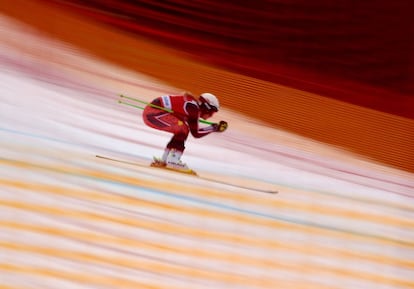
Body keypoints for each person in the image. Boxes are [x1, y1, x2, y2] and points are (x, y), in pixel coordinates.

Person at [142, 92, 228, 172]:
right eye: (212, 112)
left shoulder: (193, 106)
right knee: (183, 129)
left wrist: (213, 128)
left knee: (182, 129)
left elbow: (194, 132)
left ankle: (165, 160)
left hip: (152, 113)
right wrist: (213, 128)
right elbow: (196, 134)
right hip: (153, 114)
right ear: (207, 108)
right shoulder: (193, 109)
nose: (211, 116)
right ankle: (173, 161)